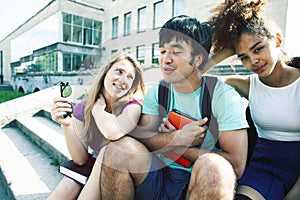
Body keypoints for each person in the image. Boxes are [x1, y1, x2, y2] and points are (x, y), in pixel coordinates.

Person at [77, 15, 249, 199]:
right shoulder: (158, 93)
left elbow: (236, 165)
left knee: (215, 167)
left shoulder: (223, 97)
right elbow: (144, 138)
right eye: (162, 51)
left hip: (198, 185)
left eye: (175, 52)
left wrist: (178, 147)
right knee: (118, 149)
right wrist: (175, 138)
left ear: (198, 59)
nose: (165, 59)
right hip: (159, 178)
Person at [206, 0, 300, 199]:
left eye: (258, 49)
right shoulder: (246, 85)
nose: (253, 61)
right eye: (244, 57)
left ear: (278, 39)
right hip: (265, 168)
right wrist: (226, 51)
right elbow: (192, 77)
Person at [47, 52, 145, 200]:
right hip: (95, 164)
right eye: (119, 71)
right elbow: (80, 159)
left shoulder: (132, 107)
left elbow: (112, 133)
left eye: (130, 77)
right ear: (106, 71)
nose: (123, 80)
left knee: (106, 152)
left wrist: (98, 109)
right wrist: (66, 125)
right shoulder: (83, 107)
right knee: (66, 188)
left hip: (123, 173)